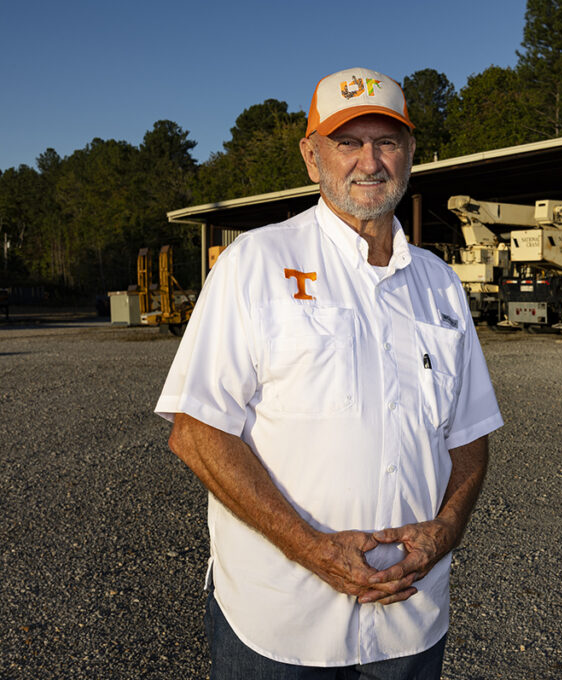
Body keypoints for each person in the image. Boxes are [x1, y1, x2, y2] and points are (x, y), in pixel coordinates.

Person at [155, 67, 503, 679]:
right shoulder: (255, 264)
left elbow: (469, 435)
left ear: (411, 154)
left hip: (410, 619)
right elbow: (197, 432)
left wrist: (446, 530)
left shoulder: (441, 284)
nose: (370, 162)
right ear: (312, 157)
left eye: (387, 142)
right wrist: (313, 552)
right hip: (281, 625)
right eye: (348, 142)